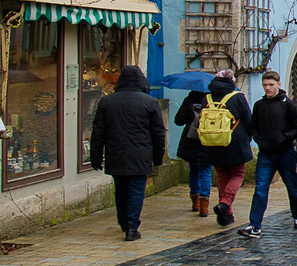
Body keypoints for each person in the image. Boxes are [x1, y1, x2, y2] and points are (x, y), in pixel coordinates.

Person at [88, 65, 166, 241]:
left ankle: (123, 220)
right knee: (136, 189)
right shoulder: (150, 103)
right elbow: (158, 133)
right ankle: (132, 225)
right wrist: (158, 157)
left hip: (116, 152)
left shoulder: (107, 102)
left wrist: (95, 157)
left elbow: (98, 132)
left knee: (121, 188)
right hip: (140, 152)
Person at [238, 70, 297, 239]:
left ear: (278, 84)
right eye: (265, 85)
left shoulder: (288, 104)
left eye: (270, 85)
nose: (267, 88)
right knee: (260, 188)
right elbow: (253, 125)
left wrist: (284, 138)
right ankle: (255, 225)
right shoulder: (259, 105)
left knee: (291, 185)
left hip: (285, 152)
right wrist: (258, 138)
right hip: (265, 154)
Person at [205, 70, 253, 227]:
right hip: (235, 142)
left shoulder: (207, 97)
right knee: (237, 174)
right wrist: (249, 139)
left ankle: (226, 215)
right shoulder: (237, 97)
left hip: (213, 142)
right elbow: (248, 121)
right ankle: (225, 204)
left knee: (222, 176)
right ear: (232, 81)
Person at [173, 89, 214, 217]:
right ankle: (204, 207)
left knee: (194, 169)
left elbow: (178, 120)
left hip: (191, 139)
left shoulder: (190, 99)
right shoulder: (213, 100)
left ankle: (195, 202)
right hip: (208, 139)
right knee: (206, 170)